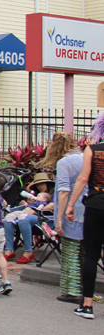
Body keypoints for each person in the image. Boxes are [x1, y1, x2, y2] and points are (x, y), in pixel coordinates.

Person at [65, 112, 104, 319]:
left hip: (96, 205)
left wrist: (71, 205)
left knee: (91, 255)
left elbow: (82, 179)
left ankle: (87, 305)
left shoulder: (93, 150)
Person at [49, 132, 85, 304]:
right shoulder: (85, 158)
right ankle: (85, 288)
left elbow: (63, 192)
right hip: (89, 210)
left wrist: (59, 219)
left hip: (72, 212)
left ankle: (71, 290)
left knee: (70, 251)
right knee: (85, 253)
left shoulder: (64, 162)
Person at [3, 173, 54, 264]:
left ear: (48, 184)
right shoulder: (36, 196)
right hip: (29, 217)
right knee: (9, 218)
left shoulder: (52, 195)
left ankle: (28, 251)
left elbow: (52, 206)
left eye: (42, 184)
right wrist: (29, 204)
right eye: (38, 185)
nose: (40, 186)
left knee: (24, 218)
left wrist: (34, 210)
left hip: (44, 220)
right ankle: (9, 250)